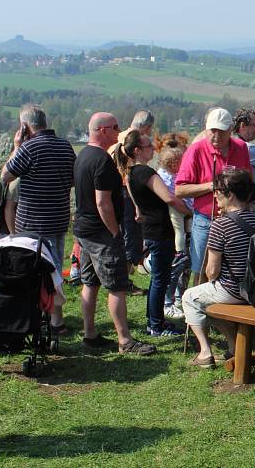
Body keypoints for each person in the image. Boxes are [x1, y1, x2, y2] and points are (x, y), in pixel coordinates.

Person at [73, 112, 156, 356]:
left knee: (90, 283)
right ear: (102, 130)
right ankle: (125, 340)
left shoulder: (82, 156)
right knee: (117, 287)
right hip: (101, 234)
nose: (119, 131)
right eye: (115, 127)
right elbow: (103, 202)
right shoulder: (101, 161)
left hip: (84, 231)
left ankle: (90, 335)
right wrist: (115, 231)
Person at [0, 104, 75, 333]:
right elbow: (72, 179)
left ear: (24, 126)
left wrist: (16, 147)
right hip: (58, 217)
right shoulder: (65, 146)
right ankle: (55, 319)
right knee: (54, 268)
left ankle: (51, 320)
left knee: (36, 273)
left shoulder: (29, 148)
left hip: (32, 222)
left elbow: (5, 176)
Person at [182, 169, 255, 367]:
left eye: (217, 190)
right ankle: (233, 345)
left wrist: (211, 281)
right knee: (209, 302)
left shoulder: (220, 225)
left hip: (233, 289)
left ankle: (204, 352)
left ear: (230, 194)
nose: (214, 194)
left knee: (190, 298)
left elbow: (212, 271)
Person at [117, 131, 188, 336]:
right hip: (160, 231)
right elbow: (169, 198)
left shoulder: (131, 172)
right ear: (138, 150)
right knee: (160, 279)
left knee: (158, 278)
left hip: (150, 229)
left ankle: (154, 321)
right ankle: (156, 325)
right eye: (149, 147)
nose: (153, 150)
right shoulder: (147, 173)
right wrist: (189, 212)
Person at [176, 107, 251, 285]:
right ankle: (198, 309)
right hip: (205, 220)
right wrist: (212, 186)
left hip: (235, 220)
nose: (216, 136)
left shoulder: (241, 148)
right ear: (206, 128)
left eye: (221, 131)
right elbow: (180, 190)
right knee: (202, 269)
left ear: (230, 129)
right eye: (212, 131)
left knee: (235, 268)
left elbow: (249, 182)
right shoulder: (196, 151)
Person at [109, 110, 155, 276]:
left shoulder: (119, 137)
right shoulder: (132, 142)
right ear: (147, 127)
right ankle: (125, 278)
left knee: (124, 235)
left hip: (114, 193)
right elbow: (127, 175)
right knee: (131, 238)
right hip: (127, 194)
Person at [156, 145, 193, 320]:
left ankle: (179, 297)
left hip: (185, 215)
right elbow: (174, 198)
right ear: (173, 164)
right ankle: (169, 301)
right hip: (177, 215)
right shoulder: (165, 178)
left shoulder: (171, 175)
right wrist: (189, 210)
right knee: (178, 262)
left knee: (185, 265)